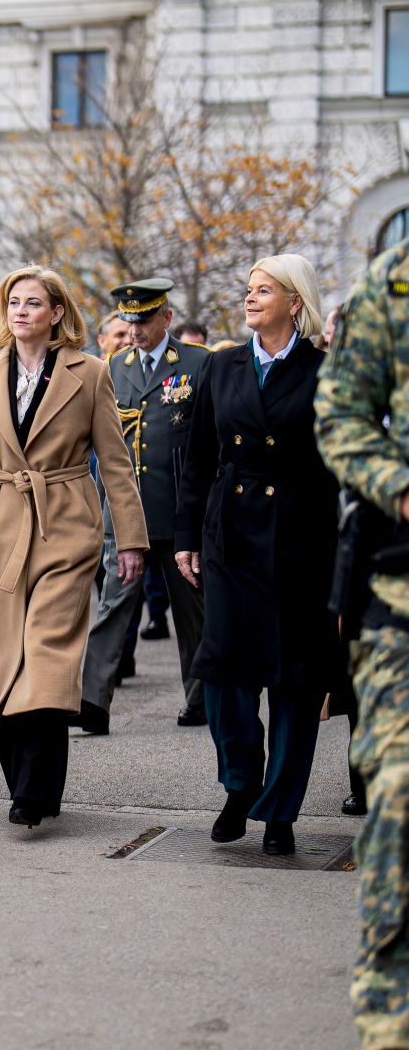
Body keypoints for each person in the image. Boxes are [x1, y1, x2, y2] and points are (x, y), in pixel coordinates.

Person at [0, 266, 146, 827]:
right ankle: (26, 784)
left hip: (66, 520)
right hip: (0, 524)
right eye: (13, 302)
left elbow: (115, 463)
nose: (21, 311)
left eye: (34, 302)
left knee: (47, 649)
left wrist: (129, 538)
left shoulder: (90, 373)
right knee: (7, 650)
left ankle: (33, 789)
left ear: (57, 313)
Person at [175, 254, 339, 857]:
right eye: (248, 289)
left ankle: (280, 811)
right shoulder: (223, 367)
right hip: (232, 535)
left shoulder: (327, 372)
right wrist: (187, 536)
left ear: (294, 302)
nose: (250, 299)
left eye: (264, 290)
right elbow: (196, 460)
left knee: (295, 679)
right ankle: (240, 785)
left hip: (302, 539)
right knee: (223, 671)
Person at [314, 237, 409, 1049]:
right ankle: (390, 1021)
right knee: (401, 800)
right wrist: (400, 486)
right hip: (402, 597)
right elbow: (341, 410)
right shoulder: (396, 279)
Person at [78, 278, 210, 732]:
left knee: (192, 611)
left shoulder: (197, 363)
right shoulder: (112, 367)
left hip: (178, 511)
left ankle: (200, 697)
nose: (134, 329)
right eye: (129, 320)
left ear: (166, 318)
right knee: (113, 605)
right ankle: (93, 700)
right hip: (125, 511)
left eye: (144, 320)